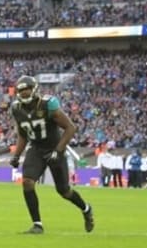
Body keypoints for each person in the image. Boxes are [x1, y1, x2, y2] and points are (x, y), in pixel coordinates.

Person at [8, 75, 94, 234]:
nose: (24, 93)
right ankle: (37, 224)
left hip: (55, 147)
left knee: (64, 191)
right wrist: (16, 155)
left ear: (34, 89)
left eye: (27, 89)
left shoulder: (48, 104)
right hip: (36, 148)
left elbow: (70, 127)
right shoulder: (16, 108)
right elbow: (22, 134)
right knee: (27, 181)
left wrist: (58, 151)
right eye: (21, 91)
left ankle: (86, 209)